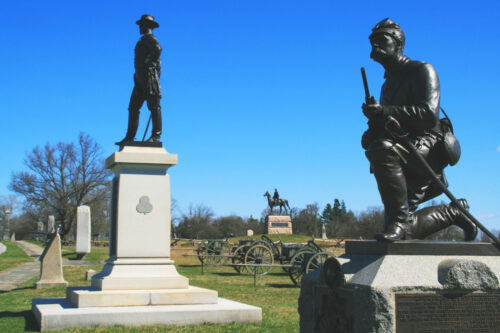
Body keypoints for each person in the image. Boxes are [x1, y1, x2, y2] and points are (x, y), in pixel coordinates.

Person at [362, 18, 477, 242]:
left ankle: (401, 222)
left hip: (429, 146)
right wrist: (374, 126)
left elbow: (427, 113)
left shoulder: (421, 70)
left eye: (381, 40)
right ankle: (455, 211)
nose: (375, 46)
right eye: (372, 42)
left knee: (382, 149)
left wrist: (384, 111)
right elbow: (391, 123)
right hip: (404, 147)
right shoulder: (387, 85)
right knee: (406, 226)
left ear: (397, 44)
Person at [116, 14, 162, 145]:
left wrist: (149, 60)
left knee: (154, 106)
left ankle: (156, 136)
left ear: (147, 26)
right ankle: (130, 137)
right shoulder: (142, 40)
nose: (139, 27)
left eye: (141, 25)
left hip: (148, 77)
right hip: (139, 79)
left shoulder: (149, 38)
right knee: (133, 107)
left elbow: (158, 49)